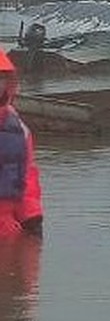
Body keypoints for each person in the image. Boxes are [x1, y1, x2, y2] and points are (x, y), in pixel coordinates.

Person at [0, 49, 44, 237]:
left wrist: (32, 217)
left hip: (9, 230)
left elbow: (26, 176)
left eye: (1, 78)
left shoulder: (18, 128)